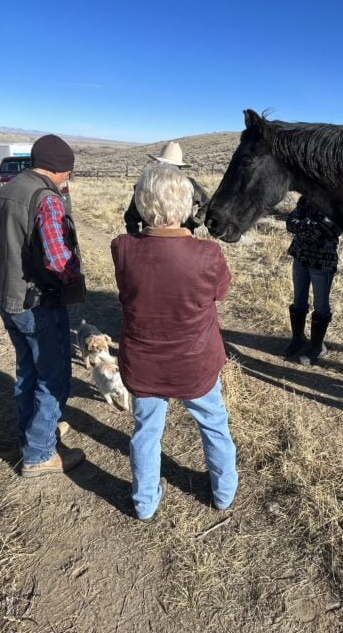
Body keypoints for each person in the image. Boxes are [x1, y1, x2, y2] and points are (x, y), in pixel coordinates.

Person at [112, 163, 237, 522]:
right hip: (196, 363)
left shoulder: (121, 248)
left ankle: (145, 502)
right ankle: (224, 493)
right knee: (214, 423)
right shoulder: (208, 254)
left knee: (146, 431)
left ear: (140, 202)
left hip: (144, 363)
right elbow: (220, 293)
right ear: (187, 203)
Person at [0, 134, 87, 478]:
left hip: (7, 297)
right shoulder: (47, 199)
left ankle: (34, 432)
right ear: (60, 169)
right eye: (67, 173)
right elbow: (59, 262)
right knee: (54, 376)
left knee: (28, 369)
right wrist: (75, 280)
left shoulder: (7, 190)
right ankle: (39, 454)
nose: (66, 179)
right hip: (37, 302)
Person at [282, 196, 340, 365]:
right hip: (300, 256)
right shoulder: (305, 200)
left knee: (321, 304)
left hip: (322, 260)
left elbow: (331, 230)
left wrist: (304, 225)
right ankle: (298, 339)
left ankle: (317, 346)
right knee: (298, 299)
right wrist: (314, 224)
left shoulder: (335, 202)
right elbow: (290, 223)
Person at [124, 141, 210, 235]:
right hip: (183, 243)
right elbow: (131, 216)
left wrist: (135, 238)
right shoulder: (189, 184)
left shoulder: (146, 184)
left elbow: (131, 216)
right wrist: (196, 221)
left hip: (152, 242)